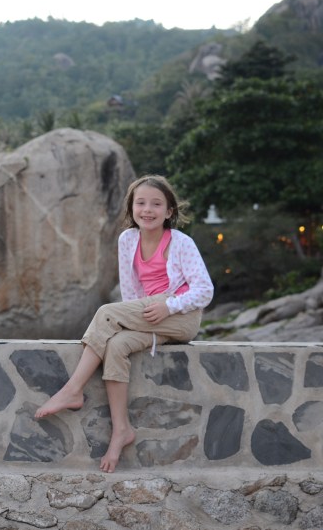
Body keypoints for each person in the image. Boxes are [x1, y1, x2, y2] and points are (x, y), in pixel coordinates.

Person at [34, 175, 213, 473]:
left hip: (181, 316)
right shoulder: (127, 239)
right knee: (116, 346)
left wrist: (169, 306)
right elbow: (130, 291)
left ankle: (73, 389)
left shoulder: (182, 243)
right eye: (140, 203)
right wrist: (132, 319)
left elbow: (204, 290)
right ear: (132, 209)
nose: (148, 210)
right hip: (148, 313)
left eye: (157, 204)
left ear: (169, 211)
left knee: (105, 313)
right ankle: (122, 431)